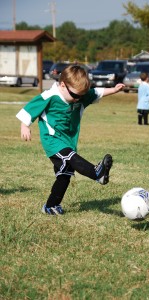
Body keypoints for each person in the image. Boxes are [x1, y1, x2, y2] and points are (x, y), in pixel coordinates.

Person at [16, 65, 125, 215]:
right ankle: (97, 173)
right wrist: (24, 126)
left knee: (64, 176)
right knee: (70, 157)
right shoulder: (50, 96)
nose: (78, 99)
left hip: (68, 141)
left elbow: (96, 92)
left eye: (81, 96)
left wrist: (113, 90)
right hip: (52, 140)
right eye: (75, 95)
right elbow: (30, 109)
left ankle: (50, 206)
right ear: (62, 85)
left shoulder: (79, 95)